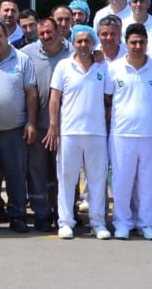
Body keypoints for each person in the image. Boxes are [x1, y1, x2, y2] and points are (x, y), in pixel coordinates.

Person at [46, 24, 112, 240]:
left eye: (87, 41)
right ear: (73, 43)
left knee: (97, 179)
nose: (83, 45)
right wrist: (53, 126)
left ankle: (98, 222)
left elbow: (109, 99)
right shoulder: (63, 66)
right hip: (69, 132)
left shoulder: (102, 67)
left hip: (96, 133)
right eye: (79, 41)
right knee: (67, 178)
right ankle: (65, 222)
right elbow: (54, 98)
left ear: (93, 43)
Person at [110, 22, 152, 240]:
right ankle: (122, 223)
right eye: (133, 42)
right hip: (121, 134)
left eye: (141, 42)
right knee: (121, 182)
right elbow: (108, 99)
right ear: (126, 43)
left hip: (149, 134)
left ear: (147, 43)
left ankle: (146, 223)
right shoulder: (114, 68)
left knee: (148, 183)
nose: (138, 46)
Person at [0, 18, 35, 235]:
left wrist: (31, 122)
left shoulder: (22, 59)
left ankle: (17, 215)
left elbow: (31, 94)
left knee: (16, 174)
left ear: (7, 36)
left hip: (16, 128)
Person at [20, 16, 69, 232]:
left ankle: (64, 212)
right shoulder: (27, 53)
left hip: (66, 126)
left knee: (65, 172)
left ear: (58, 31)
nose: (46, 37)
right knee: (37, 172)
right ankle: (41, 214)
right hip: (38, 124)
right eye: (42, 34)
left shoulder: (73, 52)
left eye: (50, 32)